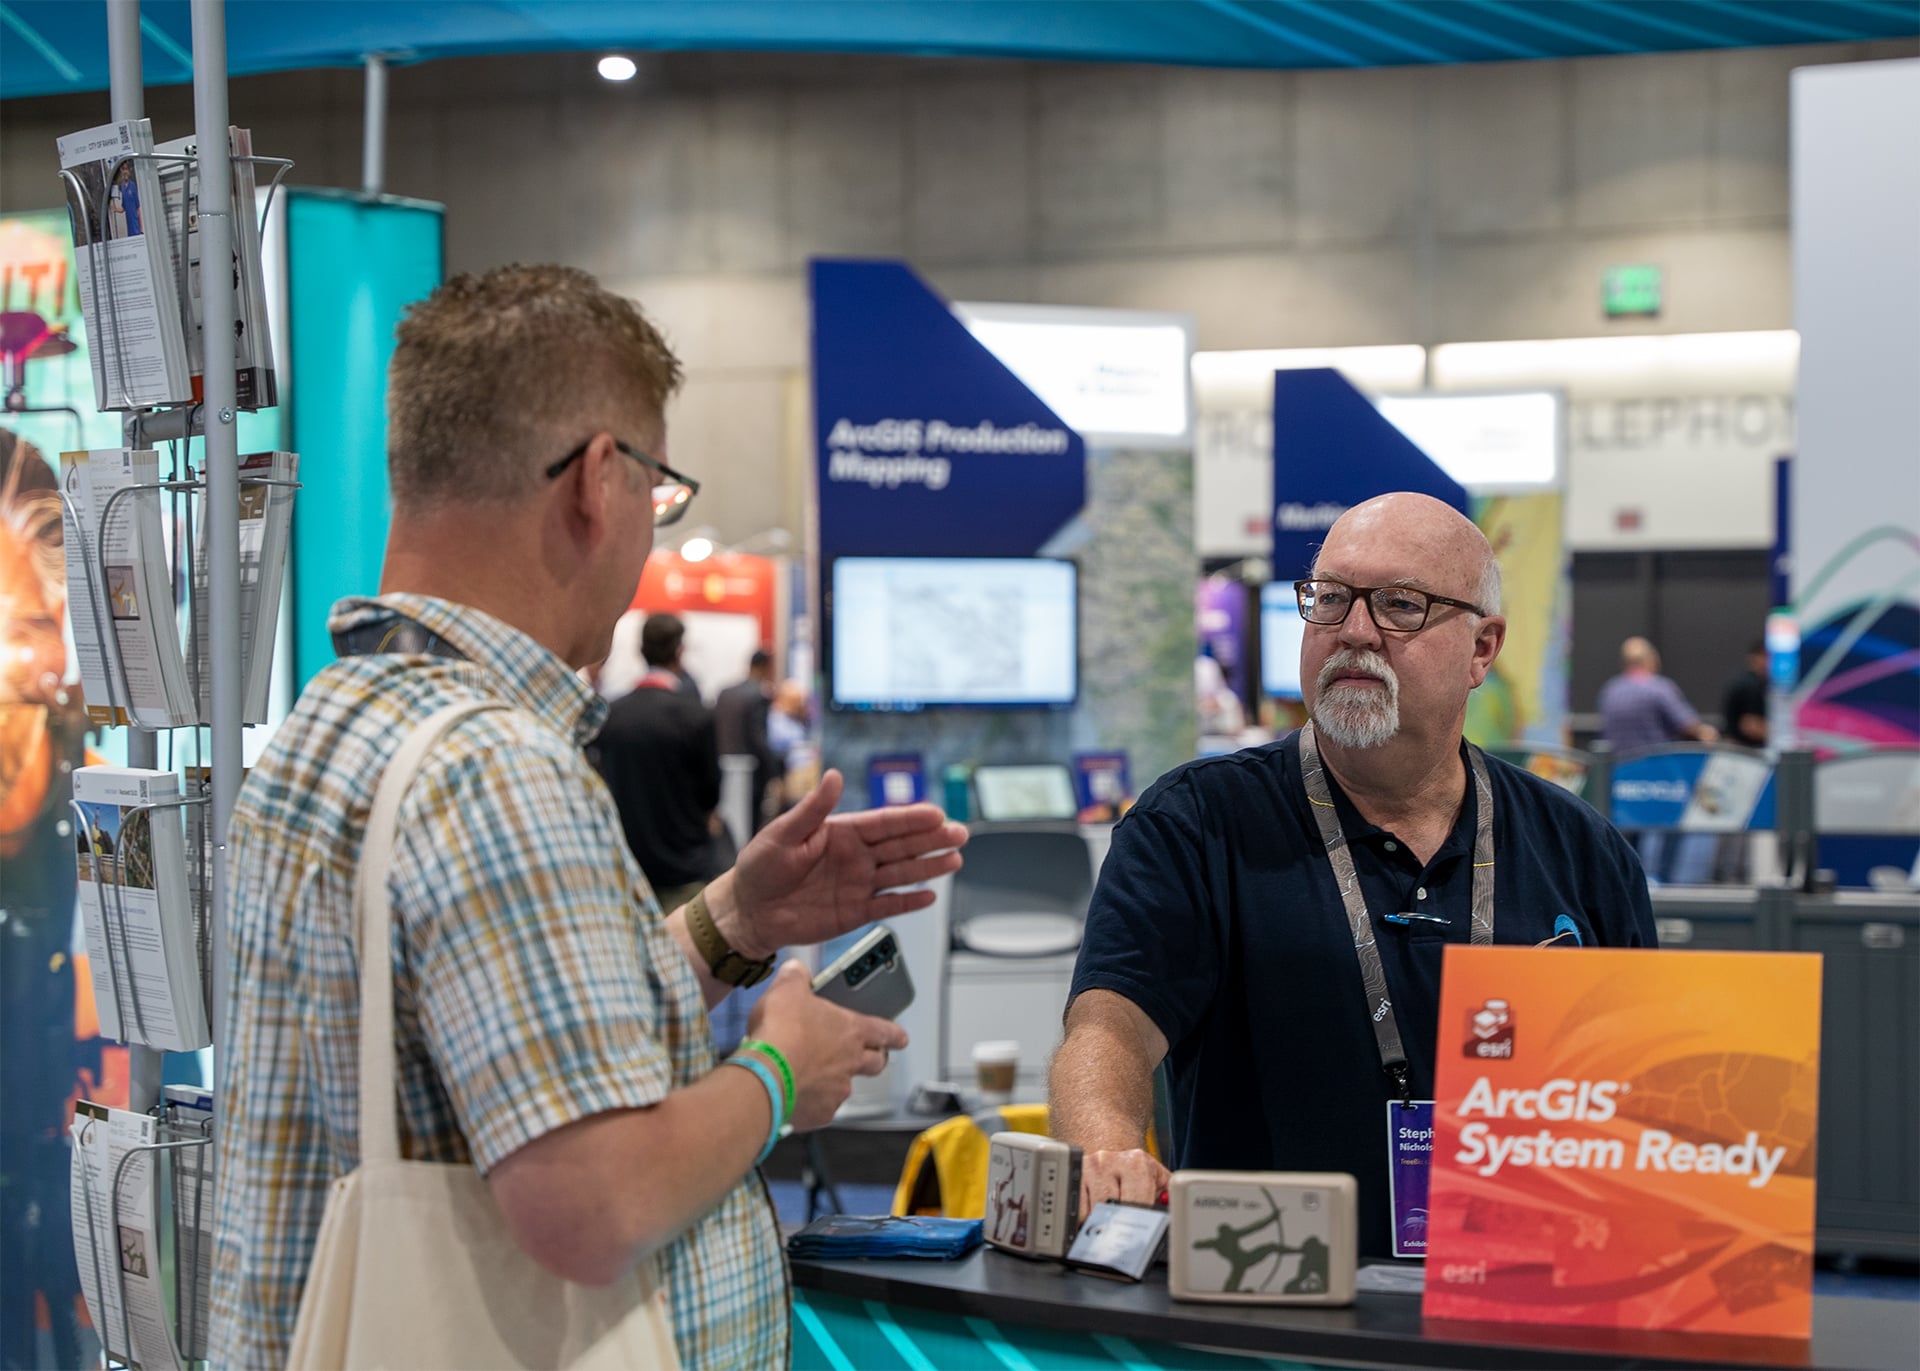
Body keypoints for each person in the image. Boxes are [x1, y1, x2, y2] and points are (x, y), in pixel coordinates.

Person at [210, 265, 968, 1369]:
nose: (648, 536)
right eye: (659, 495)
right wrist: (777, 1073)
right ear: (598, 480)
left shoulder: (334, 725)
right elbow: (589, 1206)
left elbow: (496, 1035)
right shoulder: (494, 768)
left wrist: (736, 921)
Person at [1049, 492, 1654, 1259]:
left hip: (1522, 1293)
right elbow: (1110, 1023)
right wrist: (1107, 1150)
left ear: (1483, 648)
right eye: (1331, 598)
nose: (1355, 631)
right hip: (1266, 1302)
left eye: (1401, 605)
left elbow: (1637, 1098)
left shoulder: (1581, 852)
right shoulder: (1195, 822)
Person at [591, 612, 733, 910]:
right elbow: (712, 792)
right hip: (686, 870)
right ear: (680, 651)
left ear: (641, 650)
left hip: (628, 871)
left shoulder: (612, 716)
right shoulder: (696, 717)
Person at [1597, 636, 1718, 753]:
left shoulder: (1610, 690)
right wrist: (1706, 732)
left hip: (1618, 769)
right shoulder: (1659, 688)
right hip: (1655, 767)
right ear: (1650, 659)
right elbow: (1688, 725)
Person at [714, 649, 782, 834]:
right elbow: (758, 738)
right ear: (765, 668)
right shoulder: (758, 697)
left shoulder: (724, 693)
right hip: (750, 774)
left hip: (722, 769)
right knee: (748, 828)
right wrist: (774, 774)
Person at [1721, 639, 1769, 749]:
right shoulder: (1750, 685)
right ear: (1755, 657)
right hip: (1745, 752)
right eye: (1767, 656)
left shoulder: (1754, 682)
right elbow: (1750, 726)